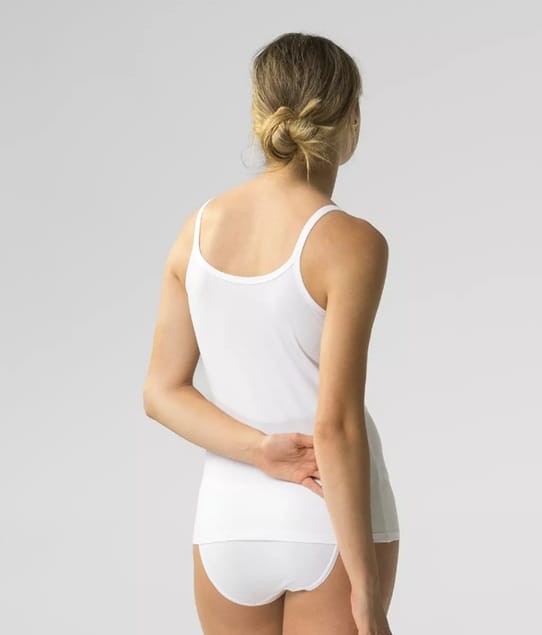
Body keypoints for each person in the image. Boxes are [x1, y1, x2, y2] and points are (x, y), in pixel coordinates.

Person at [143, 32, 400, 635]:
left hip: (228, 525)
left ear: (261, 113)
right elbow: (335, 425)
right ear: (351, 119)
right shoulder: (352, 243)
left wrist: (258, 450)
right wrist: (366, 591)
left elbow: (160, 392)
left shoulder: (197, 230)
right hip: (328, 525)